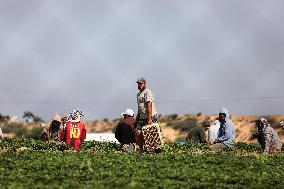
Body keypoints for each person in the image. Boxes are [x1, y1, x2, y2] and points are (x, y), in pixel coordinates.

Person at [135, 77, 158, 151]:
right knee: (138, 132)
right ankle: (141, 151)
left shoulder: (147, 92)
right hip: (141, 117)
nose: (139, 85)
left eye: (141, 83)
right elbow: (140, 107)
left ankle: (152, 151)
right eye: (138, 84)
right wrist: (138, 117)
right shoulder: (138, 94)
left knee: (150, 134)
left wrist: (150, 118)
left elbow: (149, 105)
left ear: (145, 84)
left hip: (149, 116)